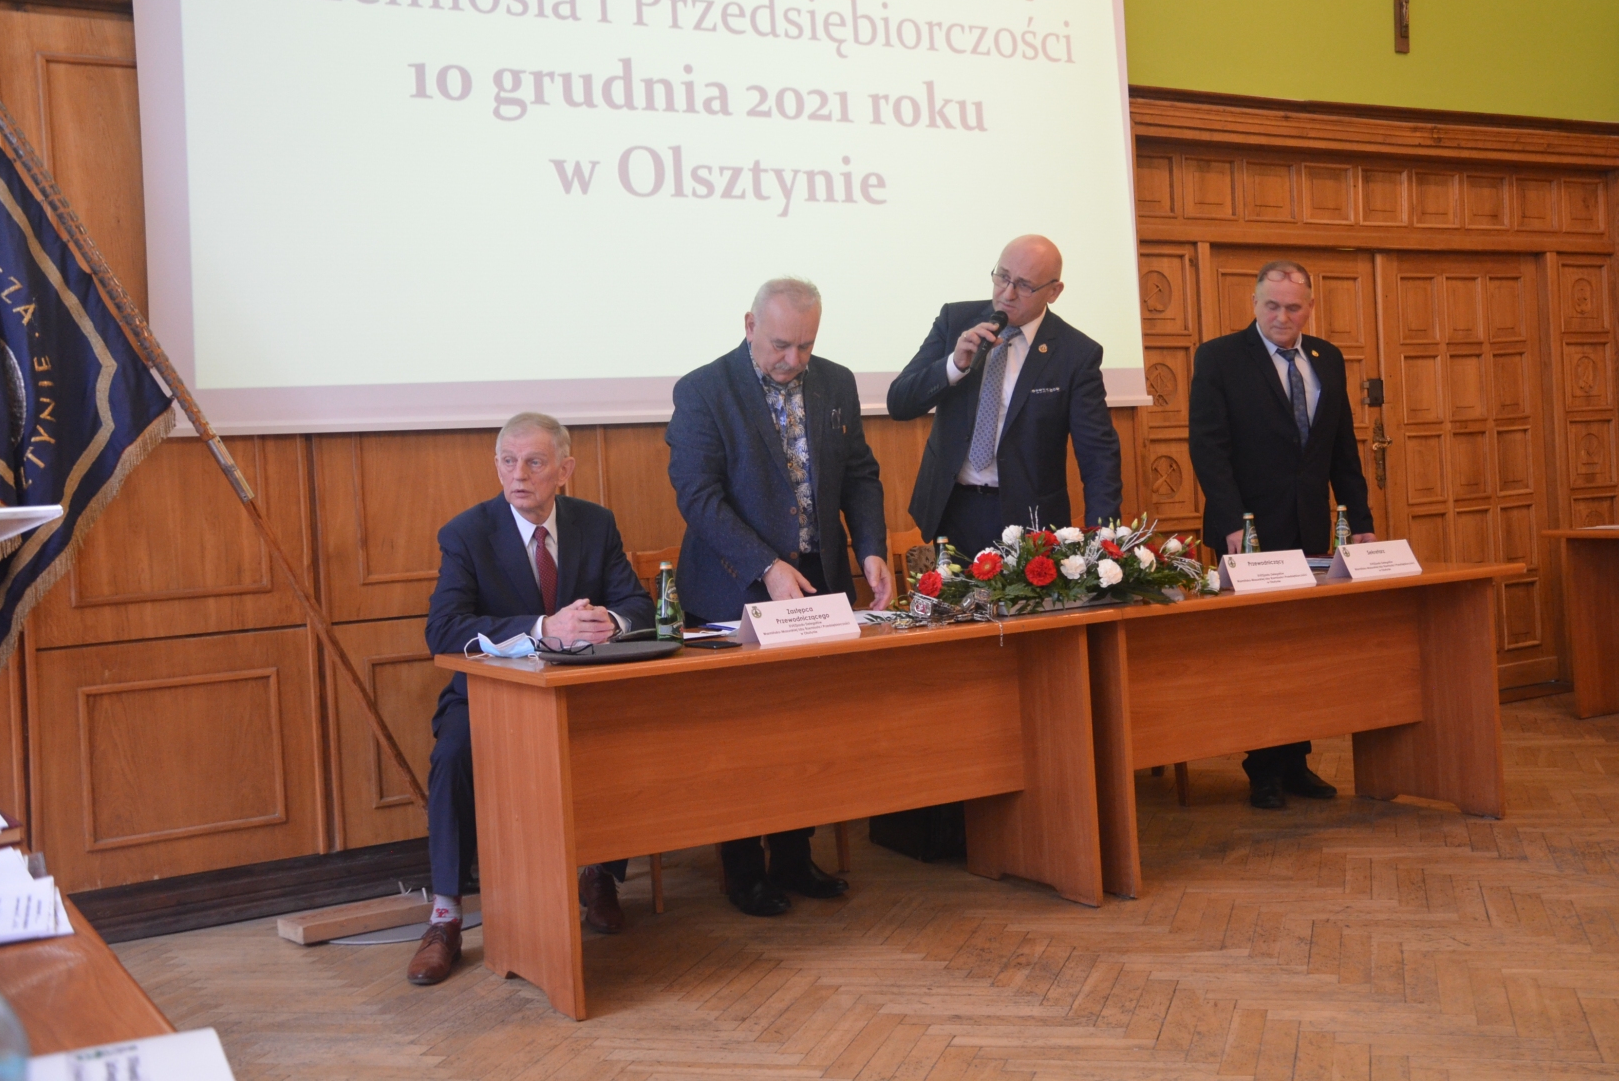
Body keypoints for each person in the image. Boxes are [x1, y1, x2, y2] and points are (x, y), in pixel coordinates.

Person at [665, 277, 892, 918]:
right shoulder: (703, 390)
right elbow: (698, 496)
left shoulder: (836, 382)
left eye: (806, 346)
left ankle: (794, 857)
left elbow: (859, 474)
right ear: (749, 325)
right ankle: (743, 871)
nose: (794, 360)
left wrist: (870, 547)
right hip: (734, 583)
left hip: (818, 580)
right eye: (780, 345)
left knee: (804, 727)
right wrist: (765, 565)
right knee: (742, 734)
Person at [409, 412, 654, 985]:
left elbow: (639, 607)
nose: (518, 475)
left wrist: (608, 622)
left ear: (564, 470)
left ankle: (598, 874)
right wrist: (544, 629)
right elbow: (443, 630)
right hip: (490, 696)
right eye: (508, 462)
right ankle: (446, 915)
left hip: (575, 690)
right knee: (453, 755)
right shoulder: (467, 533)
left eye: (534, 463)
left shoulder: (595, 523)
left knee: (618, 732)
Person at [1187, 259, 1377, 810]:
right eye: (1272, 305)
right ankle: (1262, 769)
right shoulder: (1220, 358)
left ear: (1309, 308)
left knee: (1304, 648)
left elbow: (1342, 449)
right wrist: (1232, 522)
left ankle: (1296, 761)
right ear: (1254, 303)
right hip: (1247, 532)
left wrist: (1361, 522)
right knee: (1258, 652)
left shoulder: (1327, 358)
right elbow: (1209, 448)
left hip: (1310, 526)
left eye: (1293, 307)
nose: (1282, 316)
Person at [887, 234, 1123, 559]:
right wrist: (954, 365)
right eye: (1002, 277)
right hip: (952, 508)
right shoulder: (955, 321)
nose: (1007, 293)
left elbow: (1098, 456)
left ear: (1054, 291)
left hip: (1031, 522)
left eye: (1024, 285)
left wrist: (1103, 542)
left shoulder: (1076, 353)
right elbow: (899, 402)